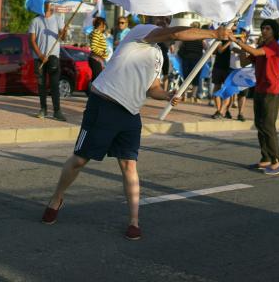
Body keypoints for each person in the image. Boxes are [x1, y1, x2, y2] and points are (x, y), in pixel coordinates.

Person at [41, 17, 235, 240]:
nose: (163, 20)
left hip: (130, 114)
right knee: (80, 159)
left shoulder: (159, 55)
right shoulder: (140, 32)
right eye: (159, 16)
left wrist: (168, 95)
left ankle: (134, 221)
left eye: (166, 17)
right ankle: (57, 198)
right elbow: (175, 34)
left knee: (129, 165)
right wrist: (214, 34)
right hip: (103, 104)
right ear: (149, 17)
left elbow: (153, 88)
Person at [232, 19, 279, 176]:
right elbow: (244, 62)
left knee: (268, 126)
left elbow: (254, 53)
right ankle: (266, 158)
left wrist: (237, 41)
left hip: (271, 91)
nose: (264, 30)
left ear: (274, 31)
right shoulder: (262, 47)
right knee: (259, 125)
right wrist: (241, 46)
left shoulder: (275, 46)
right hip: (260, 90)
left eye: (267, 28)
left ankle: (277, 162)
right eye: (262, 28)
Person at [30, 0, 69, 121]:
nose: (49, 5)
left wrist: (64, 31)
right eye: (46, 3)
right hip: (39, 58)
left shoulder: (58, 19)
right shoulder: (35, 21)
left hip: (53, 56)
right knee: (41, 85)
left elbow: (63, 38)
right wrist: (40, 55)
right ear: (42, 5)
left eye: (50, 3)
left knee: (54, 84)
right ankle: (43, 109)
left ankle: (57, 111)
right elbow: (32, 41)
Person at [176, 23, 205, 102]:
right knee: (196, 78)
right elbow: (206, 47)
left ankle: (184, 96)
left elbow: (180, 46)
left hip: (186, 58)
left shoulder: (186, 36)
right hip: (197, 60)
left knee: (186, 78)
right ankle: (192, 96)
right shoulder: (201, 37)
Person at [211, 39, 233, 119]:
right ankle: (218, 110)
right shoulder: (219, 40)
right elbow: (219, 50)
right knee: (217, 88)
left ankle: (222, 110)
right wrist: (230, 41)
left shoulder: (234, 41)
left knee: (227, 90)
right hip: (218, 67)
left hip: (228, 68)